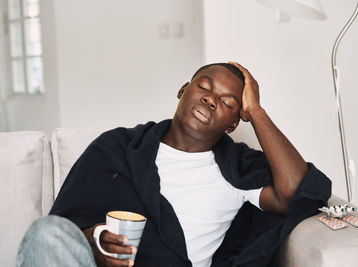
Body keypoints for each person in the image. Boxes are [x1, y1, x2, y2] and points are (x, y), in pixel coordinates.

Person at [17, 62, 331, 267]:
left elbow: (296, 191)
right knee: (45, 232)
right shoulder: (116, 147)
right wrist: (93, 240)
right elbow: (66, 229)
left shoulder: (237, 172)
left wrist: (257, 110)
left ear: (234, 124)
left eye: (228, 103)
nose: (211, 99)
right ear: (183, 91)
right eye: (204, 87)